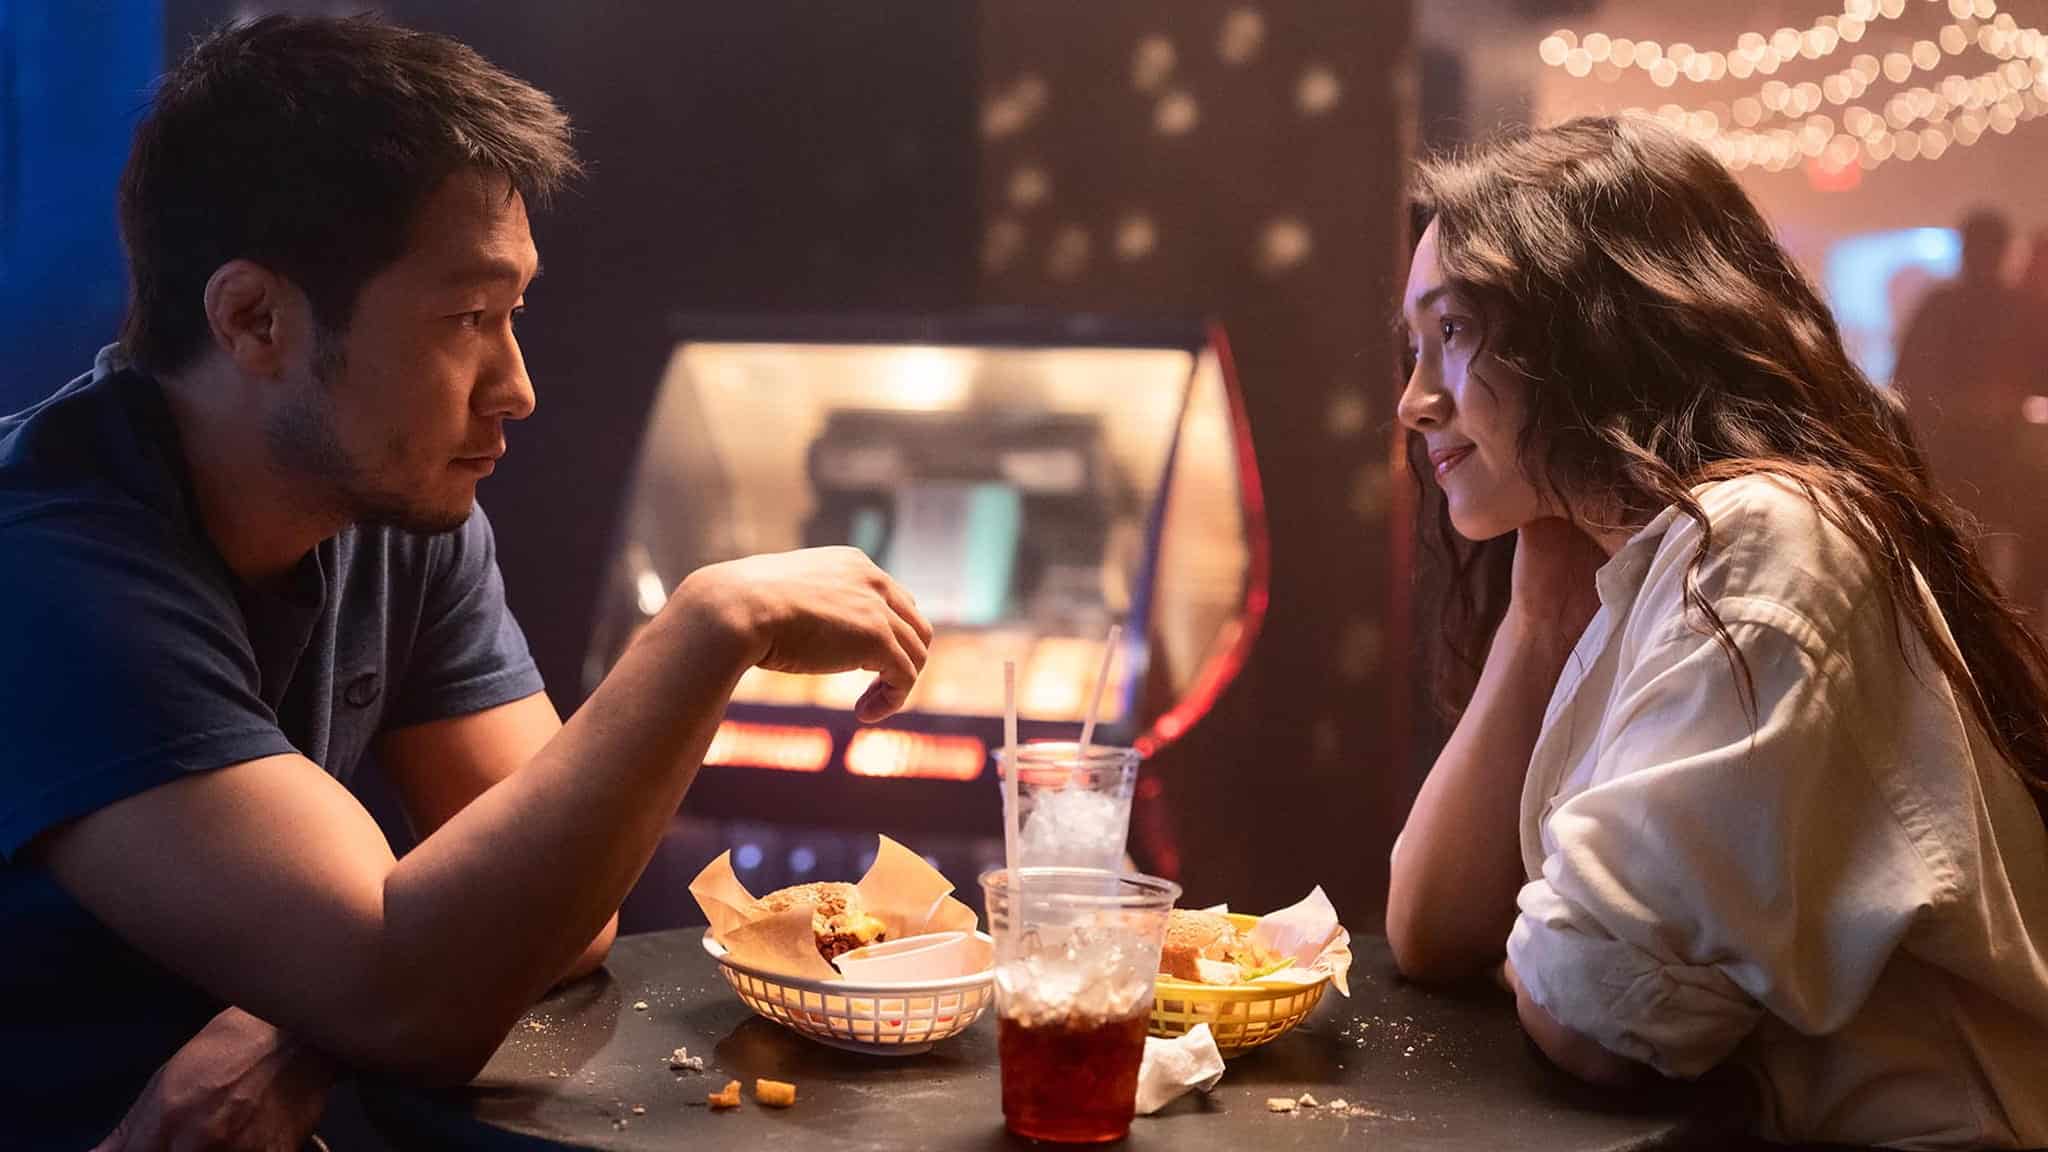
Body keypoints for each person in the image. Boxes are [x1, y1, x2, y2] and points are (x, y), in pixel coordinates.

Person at [0, 16, 931, 1150]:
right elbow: (415, 995)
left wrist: (296, 1021)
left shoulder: (396, 506)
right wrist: (706, 629)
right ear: (253, 319)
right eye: (466, 319)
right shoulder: (50, 566)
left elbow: (556, 912)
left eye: (516, 313)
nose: (516, 387)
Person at [1385, 117, 2048, 1149]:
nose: (1413, 402)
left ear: (1591, 328)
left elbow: (1601, 1021)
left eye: (1454, 333)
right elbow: (1429, 929)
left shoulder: (1763, 537)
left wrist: (1572, 942)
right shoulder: (1642, 559)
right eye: (1413, 348)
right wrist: (1538, 612)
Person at [1893, 207, 2032, 593]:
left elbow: (1905, 374)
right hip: (1961, 444)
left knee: (1991, 537)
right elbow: (1910, 374)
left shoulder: (2011, 307)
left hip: (1995, 446)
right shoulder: (1952, 306)